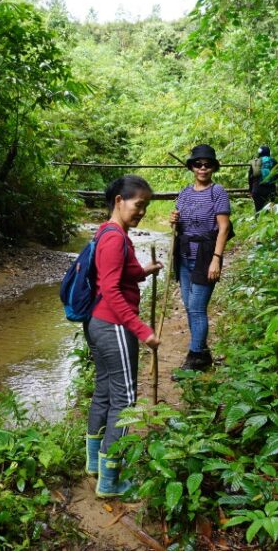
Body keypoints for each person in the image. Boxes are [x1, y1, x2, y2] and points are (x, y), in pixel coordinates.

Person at [84, 175, 163, 498]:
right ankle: (110, 481)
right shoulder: (115, 238)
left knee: (104, 392)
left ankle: (94, 465)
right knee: (125, 401)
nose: (141, 211)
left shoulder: (109, 232)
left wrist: (143, 270)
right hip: (113, 325)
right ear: (119, 200)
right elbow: (111, 290)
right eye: (138, 204)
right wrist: (142, 330)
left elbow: (115, 272)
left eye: (145, 206)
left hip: (99, 325)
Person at [168, 144, 231, 373]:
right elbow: (180, 224)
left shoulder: (218, 193)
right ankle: (202, 352)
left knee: (196, 308)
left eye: (207, 164)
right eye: (198, 164)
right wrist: (174, 219)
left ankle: (195, 360)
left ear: (213, 167)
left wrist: (217, 258)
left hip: (205, 256)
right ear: (192, 167)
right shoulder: (184, 193)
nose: (202, 168)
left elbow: (223, 229)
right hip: (184, 256)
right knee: (189, 307)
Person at [249, 144, 278, 212]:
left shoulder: (256, 162)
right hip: (270, 190)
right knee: (271, 211)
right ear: (269, 152)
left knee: (258, 212)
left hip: (257, 190)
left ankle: (258, 221)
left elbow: (250, 178)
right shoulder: (273, 161)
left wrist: (251, 190)